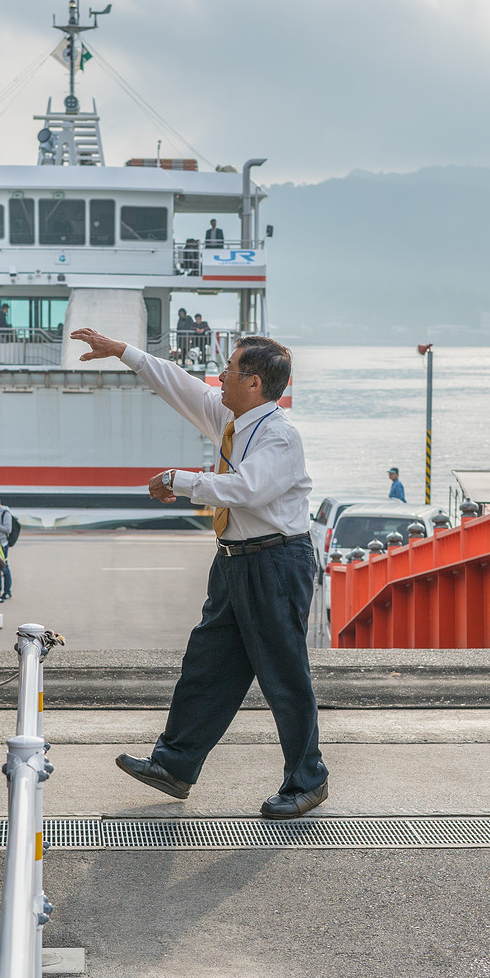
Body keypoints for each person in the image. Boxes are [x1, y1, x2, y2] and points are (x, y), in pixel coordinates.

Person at [71, 323, 329, 819]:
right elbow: (179, 385)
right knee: (206, 666)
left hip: (275, 561)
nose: (219, 377)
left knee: (284, 676)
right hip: (236, 562)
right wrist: (121, 350)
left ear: (254, 382)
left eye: (229, 370)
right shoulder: (232, 420)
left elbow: (248, 490)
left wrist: (179, 480)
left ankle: (308, 780)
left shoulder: (278, 437)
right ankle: (175, 766)